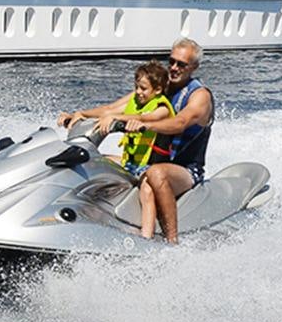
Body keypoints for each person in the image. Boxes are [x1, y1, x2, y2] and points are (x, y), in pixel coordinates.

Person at [97, 38, 214, 244]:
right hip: (150, 160)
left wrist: (146, 125)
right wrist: (79, 115)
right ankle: (97, 220)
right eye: (172, 61)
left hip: (185, 169)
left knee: (155, 173)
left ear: (194, 67)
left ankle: (171, 241)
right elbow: (113, 109)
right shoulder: (160, 86)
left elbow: (180, 122)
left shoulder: (200, 96)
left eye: (181, 64)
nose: (174, 68)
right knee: (96, 161)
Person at [57, 60, 175, 236]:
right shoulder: (136, 99)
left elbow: (147, 118)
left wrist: (115, 117)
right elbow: (108, 109)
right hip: (129, 162)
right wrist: (79, 114)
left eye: (143, 88)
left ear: (157, 90)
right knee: (92, 163)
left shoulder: (162, 108)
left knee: (147, 190)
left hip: (150, 167)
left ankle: (147, 238)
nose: (138, 92)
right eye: (136, 87)